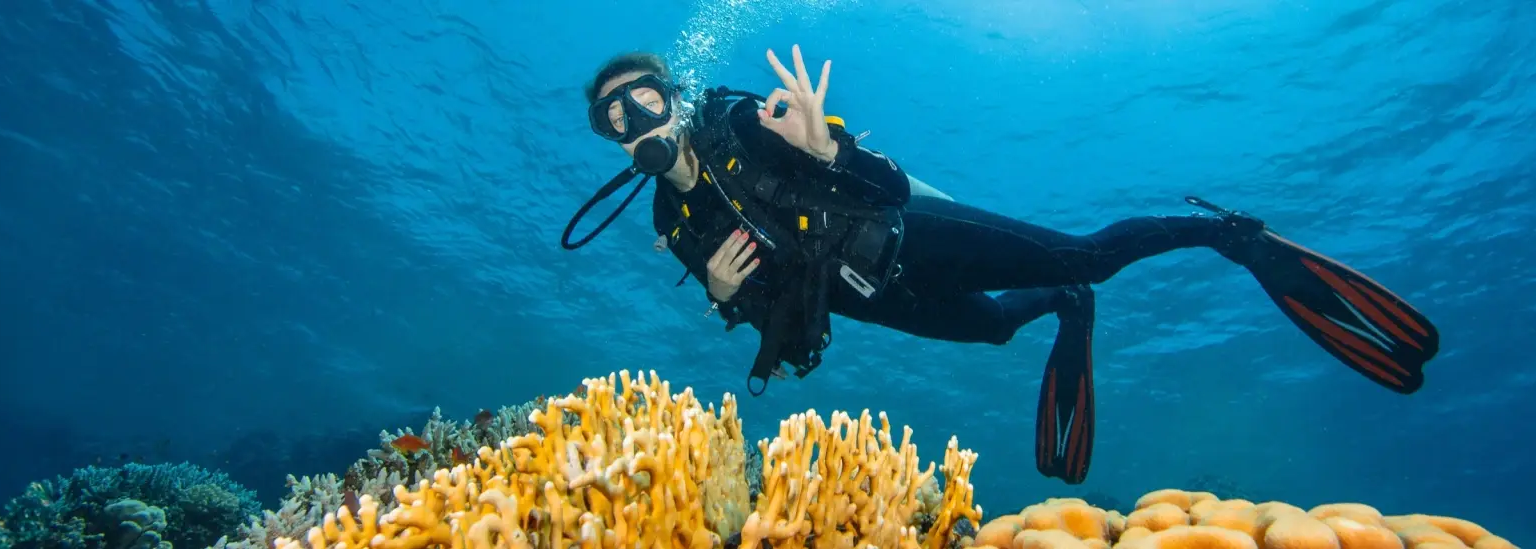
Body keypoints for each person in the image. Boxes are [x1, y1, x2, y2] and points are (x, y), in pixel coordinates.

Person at [563, 45, 1441, 484]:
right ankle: (1062, 306)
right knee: (991, 331)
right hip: (873, 300)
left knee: (1087, 254)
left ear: (673, 95)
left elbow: (891, 184)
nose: (635, 120)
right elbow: (769, 320)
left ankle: (1229, 237)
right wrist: (723, 298)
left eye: (643, 99)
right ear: (610, 138)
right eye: (614, 118)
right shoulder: (669, 220)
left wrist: (828, 153)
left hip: (912, 237)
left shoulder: (742, 122)